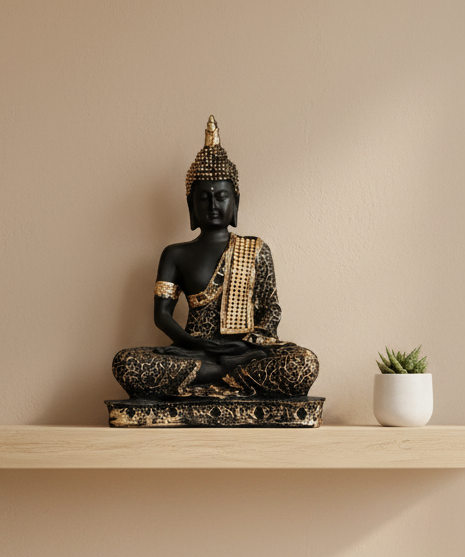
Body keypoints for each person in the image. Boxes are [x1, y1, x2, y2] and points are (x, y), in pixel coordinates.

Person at [112, 116, 319, 402]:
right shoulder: (175, 253)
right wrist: (198, 345)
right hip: (193, 349)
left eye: (221, 196)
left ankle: (213, 372)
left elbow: (271, 311)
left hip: (244, 352)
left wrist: (247, 346)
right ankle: (220, 372)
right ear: (191, 205)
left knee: (303, 363)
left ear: (235, 202)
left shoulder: (256, 249)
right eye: (203, 198)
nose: (213, 205)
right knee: (127, 363)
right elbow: (162, 316)